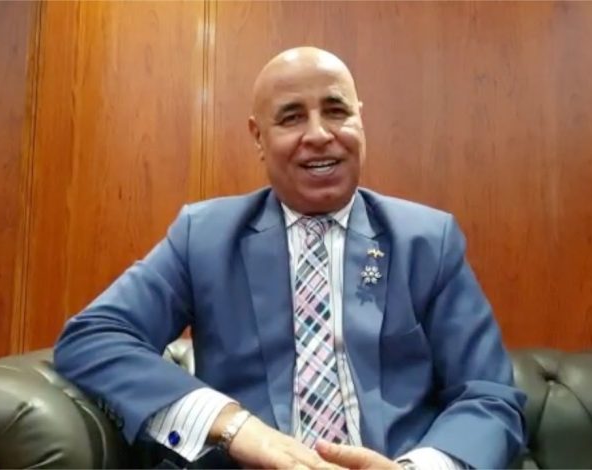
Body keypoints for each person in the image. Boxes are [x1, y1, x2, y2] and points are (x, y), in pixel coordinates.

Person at [54, 47, 526, 470]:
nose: (318, 134)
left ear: (360, 121)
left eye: (336, 111)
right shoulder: (205, 237)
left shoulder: (427, 240)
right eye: (292, 117)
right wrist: (235, 427)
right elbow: (94, 337)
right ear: (258, 136)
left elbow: (489, 396)